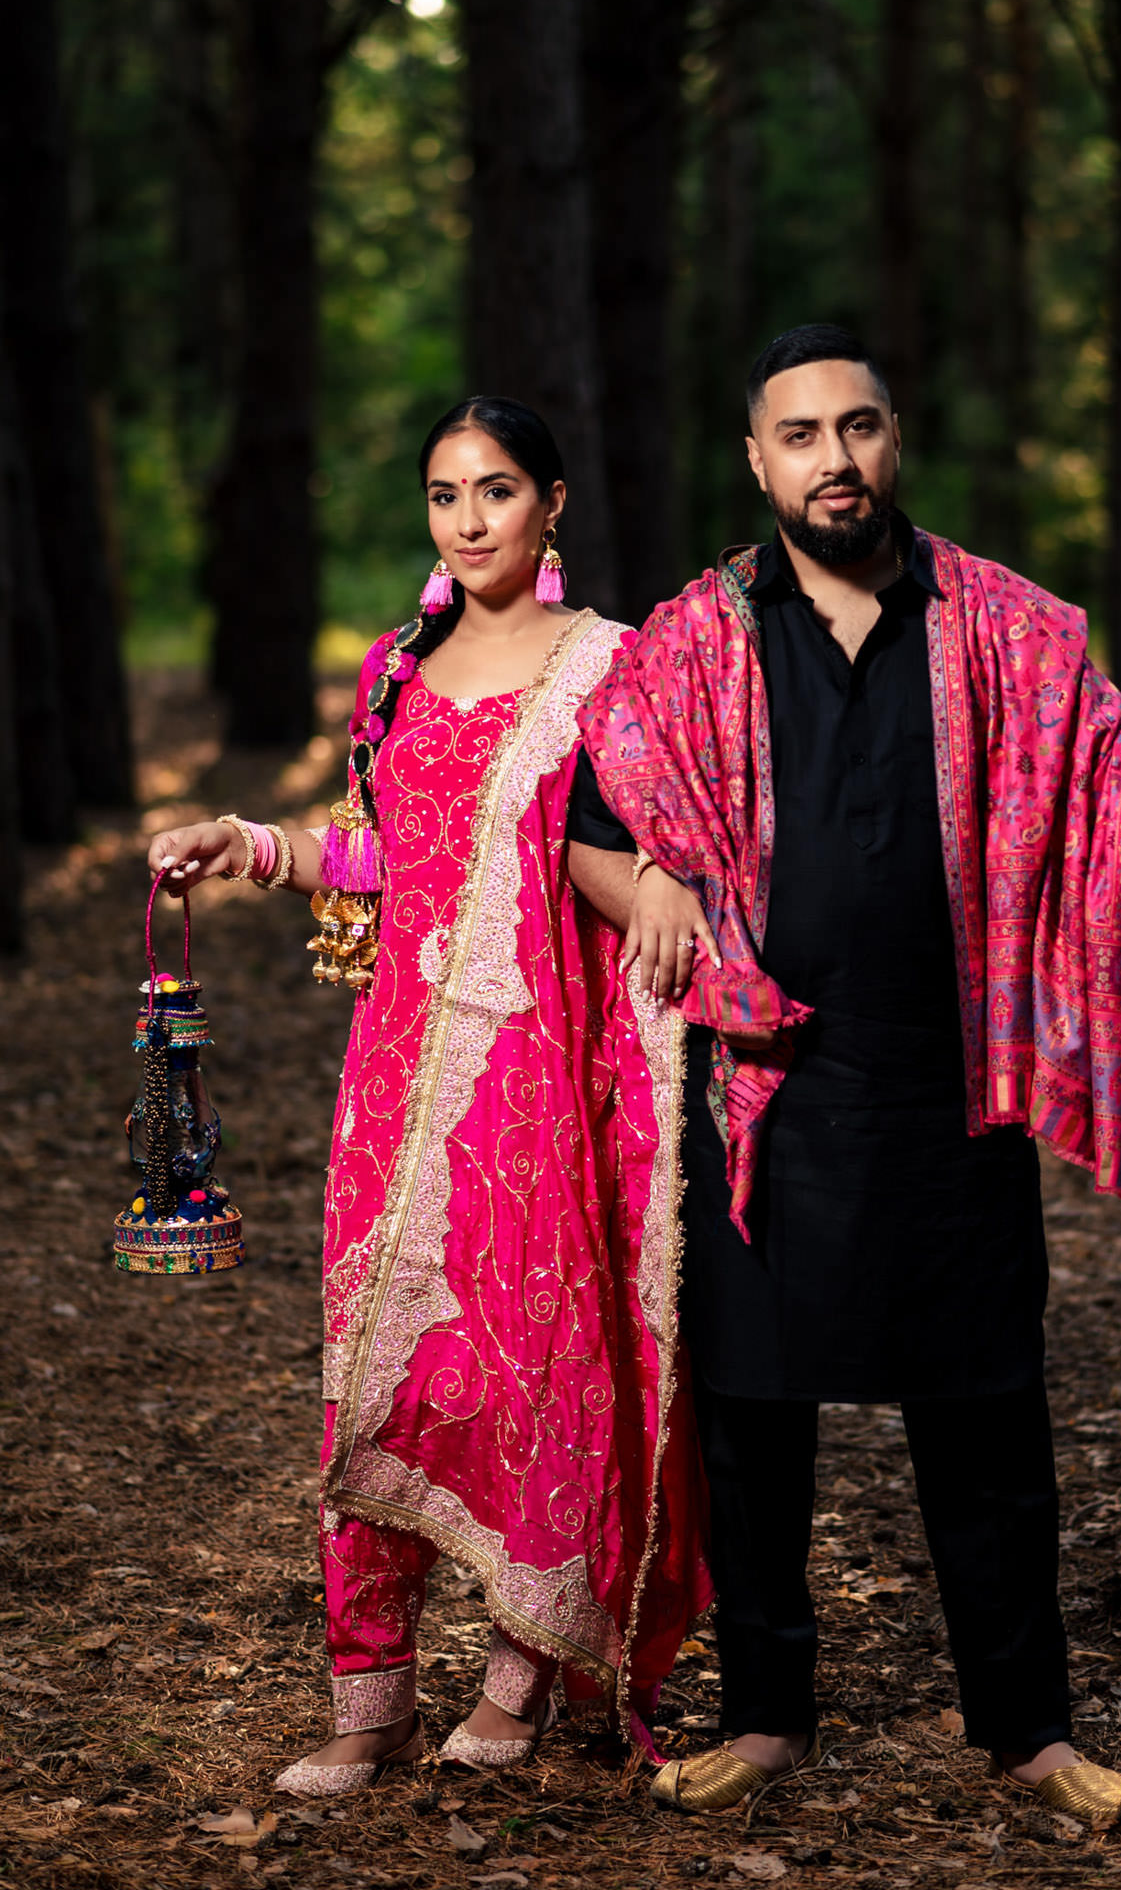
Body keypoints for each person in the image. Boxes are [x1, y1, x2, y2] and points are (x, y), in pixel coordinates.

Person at [567, 325, 1121, 1829]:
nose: (834, 460)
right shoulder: (692, 640)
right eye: (801, 435)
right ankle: (769, 1713)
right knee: (752, 1421)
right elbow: (595, 822)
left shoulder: (1003, 628)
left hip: (949, 1081)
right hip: (761, 1093)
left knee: (986, 1419)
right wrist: (644, 889)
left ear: (894, 440)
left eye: (858, 428)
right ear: (757, 461)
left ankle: (1028, 1731)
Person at [147, 397, 710, 1798]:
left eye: (498, 490)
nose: (469, 520)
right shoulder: (398, 666)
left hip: (544, 1067)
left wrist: (673, 892)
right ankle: (371, 1701)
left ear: (554, 504)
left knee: (534, 1365)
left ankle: (523, 1673)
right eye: (445, 494)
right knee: (377, 1370)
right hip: (397, 1071)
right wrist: (248, 843)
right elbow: (380, 857)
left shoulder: (612, 668)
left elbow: (666, 846)